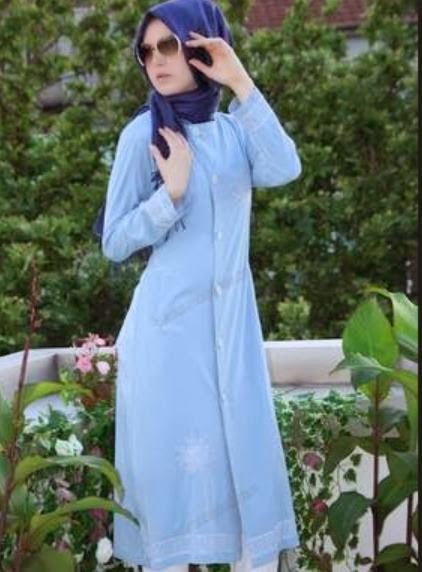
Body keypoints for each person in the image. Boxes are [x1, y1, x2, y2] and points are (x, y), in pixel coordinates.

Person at [101, 0, 302, 570]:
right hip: (167, 341)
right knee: (175, 496)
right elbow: (114, 241)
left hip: (232, 335)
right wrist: (169, 197)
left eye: (169, 45)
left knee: (246, 483)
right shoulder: (143, 135)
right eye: (146, 51)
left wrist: (240, 81)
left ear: (200, 45)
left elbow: (285, 167)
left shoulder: (236, 132)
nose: (155, 60)